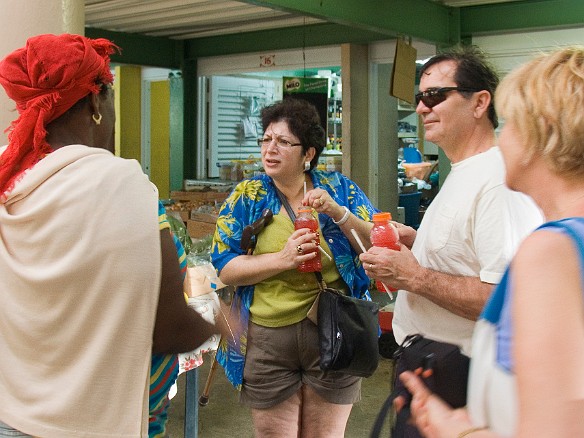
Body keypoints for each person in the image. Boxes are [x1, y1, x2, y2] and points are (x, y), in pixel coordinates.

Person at [0, 33, 232, 437]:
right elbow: (170, 328)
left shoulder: (9, 180)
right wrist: (221, 323)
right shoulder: (121, 183)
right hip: (97, 423)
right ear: (95, 100)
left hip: (12, 417)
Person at [400, 45, 584, 438]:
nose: (503, 136)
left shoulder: (553, 250)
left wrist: (457, 431)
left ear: (545, 135)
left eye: (513, 122)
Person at [359, 46, 543, 436]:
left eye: (435, 96)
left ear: (479, 102)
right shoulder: (463, 170)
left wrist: (415, 277)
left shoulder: (497, 181)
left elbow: (505, 300)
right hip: (431, 364)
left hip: (460, 374)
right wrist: (419, 242)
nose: (423, 108)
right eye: (419, 98)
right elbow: (466, 256)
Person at [211, 97, 378, 437]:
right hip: (267, 338)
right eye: (266, 139)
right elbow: (225, 267)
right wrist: (282, 260)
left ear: (308, 154)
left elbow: (376, 241)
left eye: (284, 142)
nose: (270, 149)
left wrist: (338, 213)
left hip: (335, 327)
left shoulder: (339, 189)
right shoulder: (248, 195)